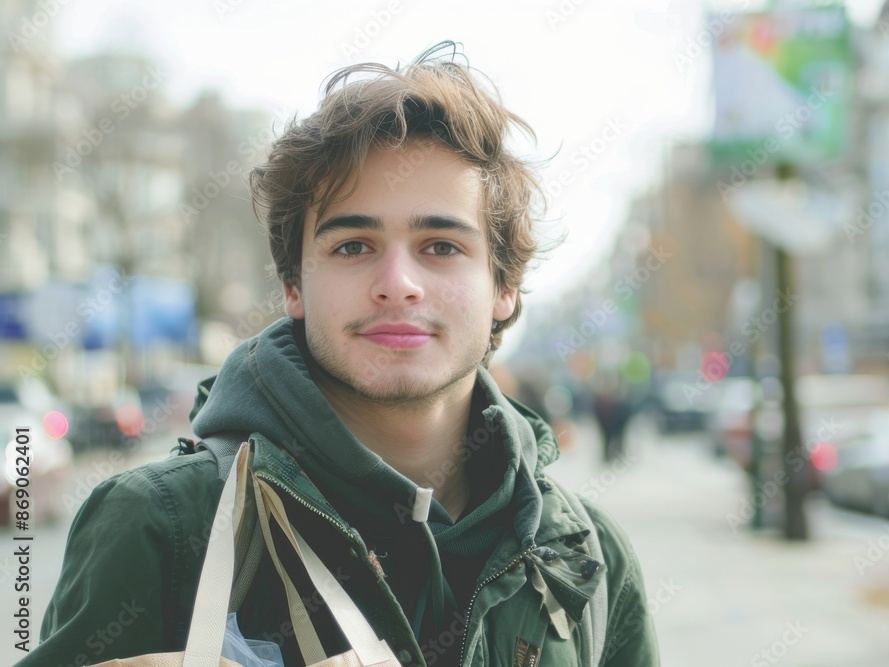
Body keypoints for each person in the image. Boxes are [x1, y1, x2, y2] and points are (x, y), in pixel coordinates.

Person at [18, 42, 659, 667]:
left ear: (503, 287)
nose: (398, 281)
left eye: (441, 245)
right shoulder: (160, 525)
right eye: (353, 245)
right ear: (294, 285)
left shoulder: (587, 560)